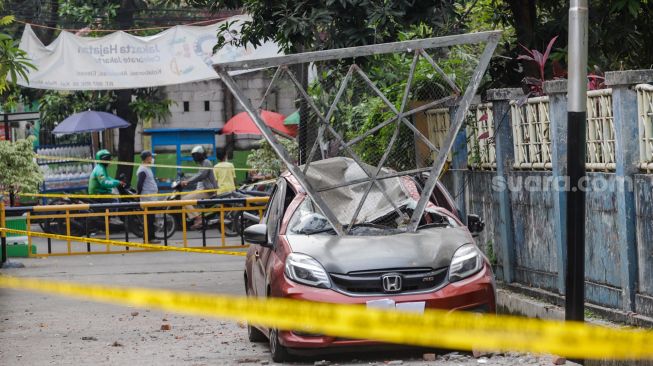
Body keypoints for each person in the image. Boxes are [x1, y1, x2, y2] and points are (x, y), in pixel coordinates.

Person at [180, 145, 218, 229]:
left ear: (200, 155)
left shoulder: (206, 162)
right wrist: (187, 179)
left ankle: (198, 219)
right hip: (204, 189)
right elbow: (199, 175)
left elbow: (201, 175)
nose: (194, 157)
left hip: (209, 190)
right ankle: (198, 217)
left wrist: (188, 181)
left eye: (195, 155)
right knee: (186, 198)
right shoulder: (203, 163)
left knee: (184, 200)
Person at [136, 150, 160, 243]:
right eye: (151, 157)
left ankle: (152, 236)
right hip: (147, 198)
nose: (153, 159)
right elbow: (140, 184)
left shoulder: (147, 168)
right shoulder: (143, 169)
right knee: (149, 219)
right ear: (147, 158)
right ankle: (148, 238)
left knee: (151, 218)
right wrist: (138, 195)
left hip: (151, 197)